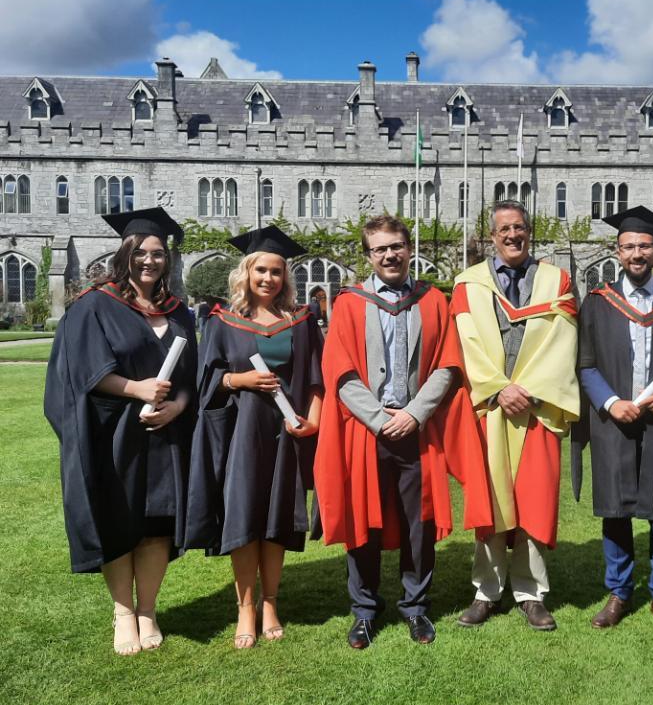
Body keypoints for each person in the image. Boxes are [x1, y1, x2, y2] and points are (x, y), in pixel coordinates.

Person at [315, 215, 490, 650]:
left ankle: (415, 606)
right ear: (369, 255)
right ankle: (364, 610)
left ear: (409, 249)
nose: (390, 255)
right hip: (366, 431)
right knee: (364, 521)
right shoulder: (350, 303)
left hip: (416, 429)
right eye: (380, 249)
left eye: (396, 246)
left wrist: (414, 414)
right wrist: (379, 418)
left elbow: (448, 364)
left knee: (419, 523)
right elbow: (340, 372)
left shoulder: (432, 300)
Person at [44, 207, 198, 656]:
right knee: (119, 521)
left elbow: (191, 376)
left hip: (164, 435)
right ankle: (123, 612)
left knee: (156, 525)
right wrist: (137, 388)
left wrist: (177, 406)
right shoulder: (96, 305)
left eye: (158, 253)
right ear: (125, 253)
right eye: (141, 252)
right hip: (114, 434)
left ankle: (147, 610)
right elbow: (81, 370)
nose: (150, 261)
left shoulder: (180, 313)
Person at [185, 225, 324, 649]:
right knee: (244, 514)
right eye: (261, 270)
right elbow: (206, 379)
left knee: (277, 517)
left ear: (285, 277)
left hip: (285, 432)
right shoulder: (223, 321)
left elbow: (317, 377)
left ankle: (270, 603)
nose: (268, 278)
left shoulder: (301, 321)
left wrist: (312, 420)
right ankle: (245, 607)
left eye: (276, 271)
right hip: (241, 432)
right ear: (246, 273)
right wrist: (239, 379)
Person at [572, 205, 653, 632]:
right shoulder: (598, 303)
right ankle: (619, 591)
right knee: (616, 508)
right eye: (628, 246)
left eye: (644, 246)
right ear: (617, 251)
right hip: (614, 420)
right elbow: (585, 364)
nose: (636, 253)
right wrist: (610, 402)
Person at [451, 200, 580, 632]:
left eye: (519, 227)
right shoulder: (468, 283)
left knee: (533, 500)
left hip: (537, 407)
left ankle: (530, 593)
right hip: (490, 406)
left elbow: (564, 341)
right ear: (492, 236)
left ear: (529, 232)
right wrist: (497, 387)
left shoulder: (556, 280)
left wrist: (531, 392)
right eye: (504, 229)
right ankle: (486, 591)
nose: (512, 235)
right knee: (491, 502)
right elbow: (465, 342)